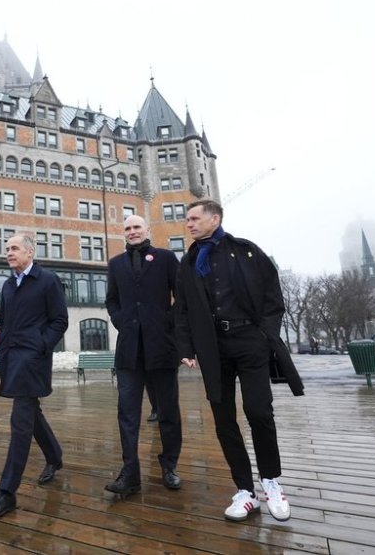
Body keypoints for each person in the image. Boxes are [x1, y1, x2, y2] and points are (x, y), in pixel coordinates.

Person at [173, 199, 303, 522]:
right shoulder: (187, 263)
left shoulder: (246, 251)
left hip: (249, 342)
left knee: (259, 411)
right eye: (186, 220)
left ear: (214, 219)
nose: (188, 224)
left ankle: (271, 482)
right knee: (223, 418)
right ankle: (245, 490)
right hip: (212, 348)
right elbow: (182, 310)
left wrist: (265, 335)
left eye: (193, 218)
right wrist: (186, 347)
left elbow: (274, 296)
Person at [0, 234, 68, 519]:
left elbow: (60, 320)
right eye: (7, 249)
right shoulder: (7, 285)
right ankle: (54, 456)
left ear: (30, 252)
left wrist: (41, 345)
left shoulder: (47, 280)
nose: (8, 253)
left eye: (14, 248)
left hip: (32, 360)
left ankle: (6, 492)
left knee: (20, 420)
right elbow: (4, 322)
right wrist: (1, 348)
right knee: (31, 413)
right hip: (11, 359)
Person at [104, 215, 183, 495]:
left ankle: (169, 465)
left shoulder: (165, 258)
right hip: (129, 351)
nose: (133, 231)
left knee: (168, 411)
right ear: (123, 234)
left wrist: (167, 322)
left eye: (137, 227)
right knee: (127, 412)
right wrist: (120, 320)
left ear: (147, 230)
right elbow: (111, 299)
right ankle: (130, 472)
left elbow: (181, 295)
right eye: (127, 228)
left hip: (161, 347)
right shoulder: (115, 264)